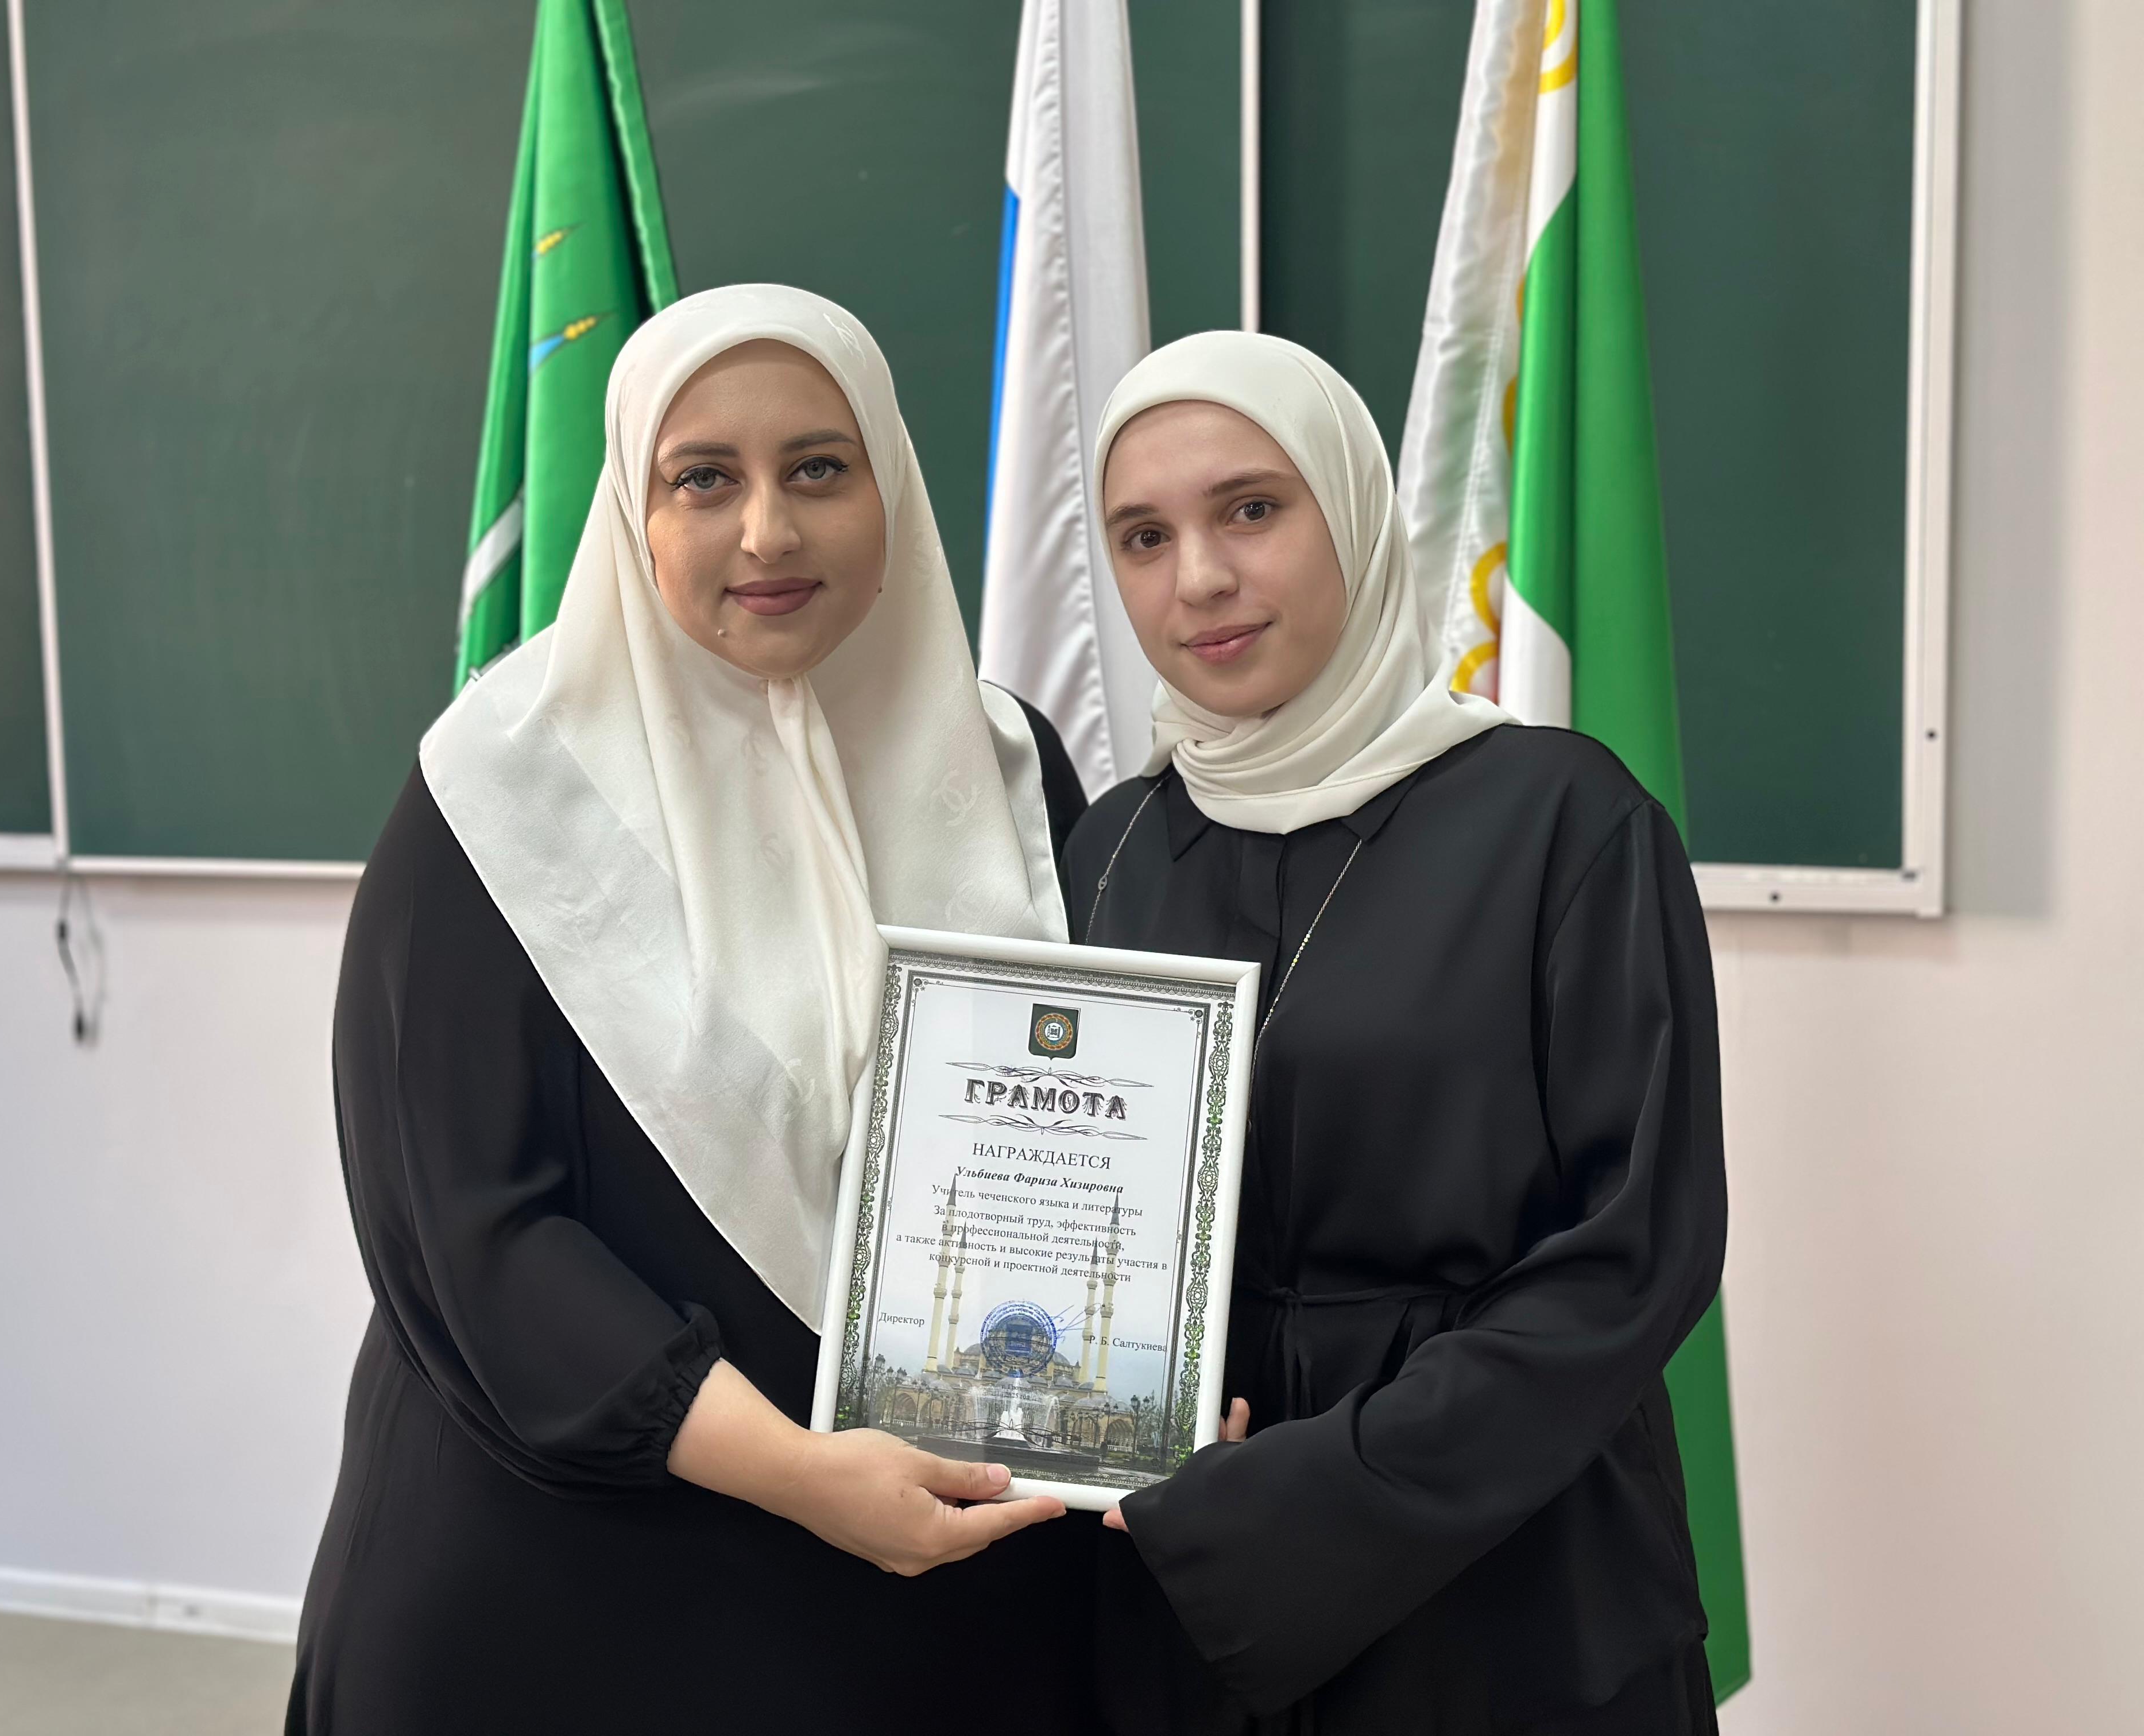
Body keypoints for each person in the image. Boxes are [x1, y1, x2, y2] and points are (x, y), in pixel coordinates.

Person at [288, 285, 1098, 1734]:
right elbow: (477, 1235)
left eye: (819, 469)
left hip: (925, 1610)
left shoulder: (1012, 771)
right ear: (633, 511)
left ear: (892, 485)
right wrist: (800, 1472)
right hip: (565, 1602)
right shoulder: (496, 796)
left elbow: (1091, 1145)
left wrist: (1152, 1380)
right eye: (704, 478)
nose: (767, 531)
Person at [1066, 331, 1728, 1735]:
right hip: (1175, 1577)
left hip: (1508, 1579)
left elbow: (1632, 1255)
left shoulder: (1564, 822)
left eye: (1252, 508)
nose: (1199, 579)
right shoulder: (1109, 848)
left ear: (1357, 515)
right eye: (1143, 537)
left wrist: (1312, 1499)